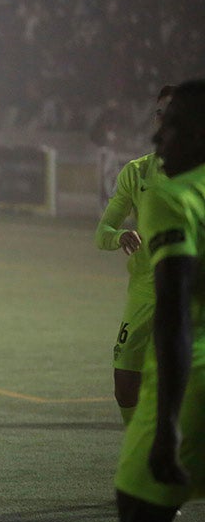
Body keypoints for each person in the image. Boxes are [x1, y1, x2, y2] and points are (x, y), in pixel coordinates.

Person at [114, 78, 205, 522]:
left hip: (191, 388)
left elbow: (174, 317)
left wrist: (167, 423)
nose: (156, 138)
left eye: (169, 127)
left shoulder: (174, 197)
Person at [95, 85, 175, 426]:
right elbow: (103, 233)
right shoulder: (136, 171)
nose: (165, 120)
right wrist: (120, 236)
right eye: (160, 113)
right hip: (145, 287)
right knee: (124, 383)